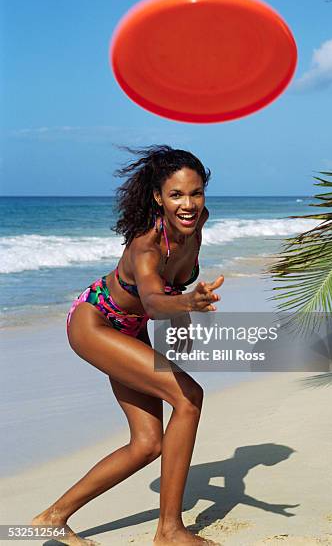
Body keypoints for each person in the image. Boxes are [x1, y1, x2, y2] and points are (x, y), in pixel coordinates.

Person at [31, 145, 224, 546]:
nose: (188, 204)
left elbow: (174, 284)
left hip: (130, 328)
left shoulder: (197, 223)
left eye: (196, 192)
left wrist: (184, 312)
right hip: (94, 323)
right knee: (189, 397)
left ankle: (52, 517)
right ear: (158, 197)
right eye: (176, 195)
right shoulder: (145, 245)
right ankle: (169, 531)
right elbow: (154, 301)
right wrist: (185, 305)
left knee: (148, 443)